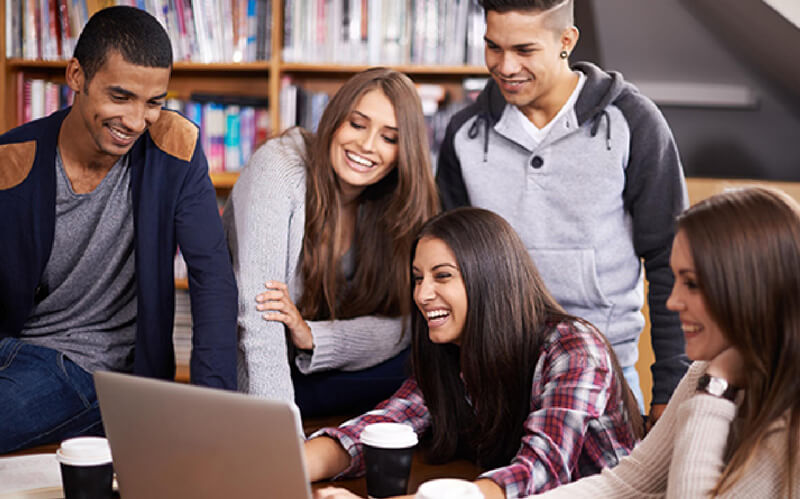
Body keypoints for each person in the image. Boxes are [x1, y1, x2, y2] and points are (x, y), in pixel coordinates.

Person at [436, 0, 689, 423]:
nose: (505, 66)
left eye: (524, 50)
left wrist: (669, 392)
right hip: (497, 379)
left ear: (566, 41)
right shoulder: (463, 135)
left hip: (605, 376)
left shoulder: (633, 122)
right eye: (493, 47)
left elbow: (672, 261)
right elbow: (453, 268)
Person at [0, 6, 237, 454]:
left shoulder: (176, 151)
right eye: (120, 97)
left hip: (93, 373)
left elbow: (214, 283)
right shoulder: (11, 158)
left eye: (154, 102)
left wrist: (214, 414)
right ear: (75, 76)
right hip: (13, 351)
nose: (136, 121)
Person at [306, 208, 643, 498]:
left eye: (442, 277)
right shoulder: (452, 351)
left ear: (489, 277)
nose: (422, 294)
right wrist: (289, 465)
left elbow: (541, 472)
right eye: (418, 278)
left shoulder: (574, 348)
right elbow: (385, 424)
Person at [530, 186, 800, 498]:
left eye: (693, 284)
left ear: (748, 287)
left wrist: (715, 389)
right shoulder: (707, 369)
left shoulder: (724, 382)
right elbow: (626, 484)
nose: (672, 302)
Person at [223, 68, 439, 415]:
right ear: (335, 118)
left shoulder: (397, 201)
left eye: (389, 137)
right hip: (265, 376)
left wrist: (314, 336)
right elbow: (257, 322)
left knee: (430, 359)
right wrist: (280, 439)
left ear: (405, 151)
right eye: (357, 124)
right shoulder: (279, 169)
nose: (367, 146)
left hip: (324, 363)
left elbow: (406, 324)